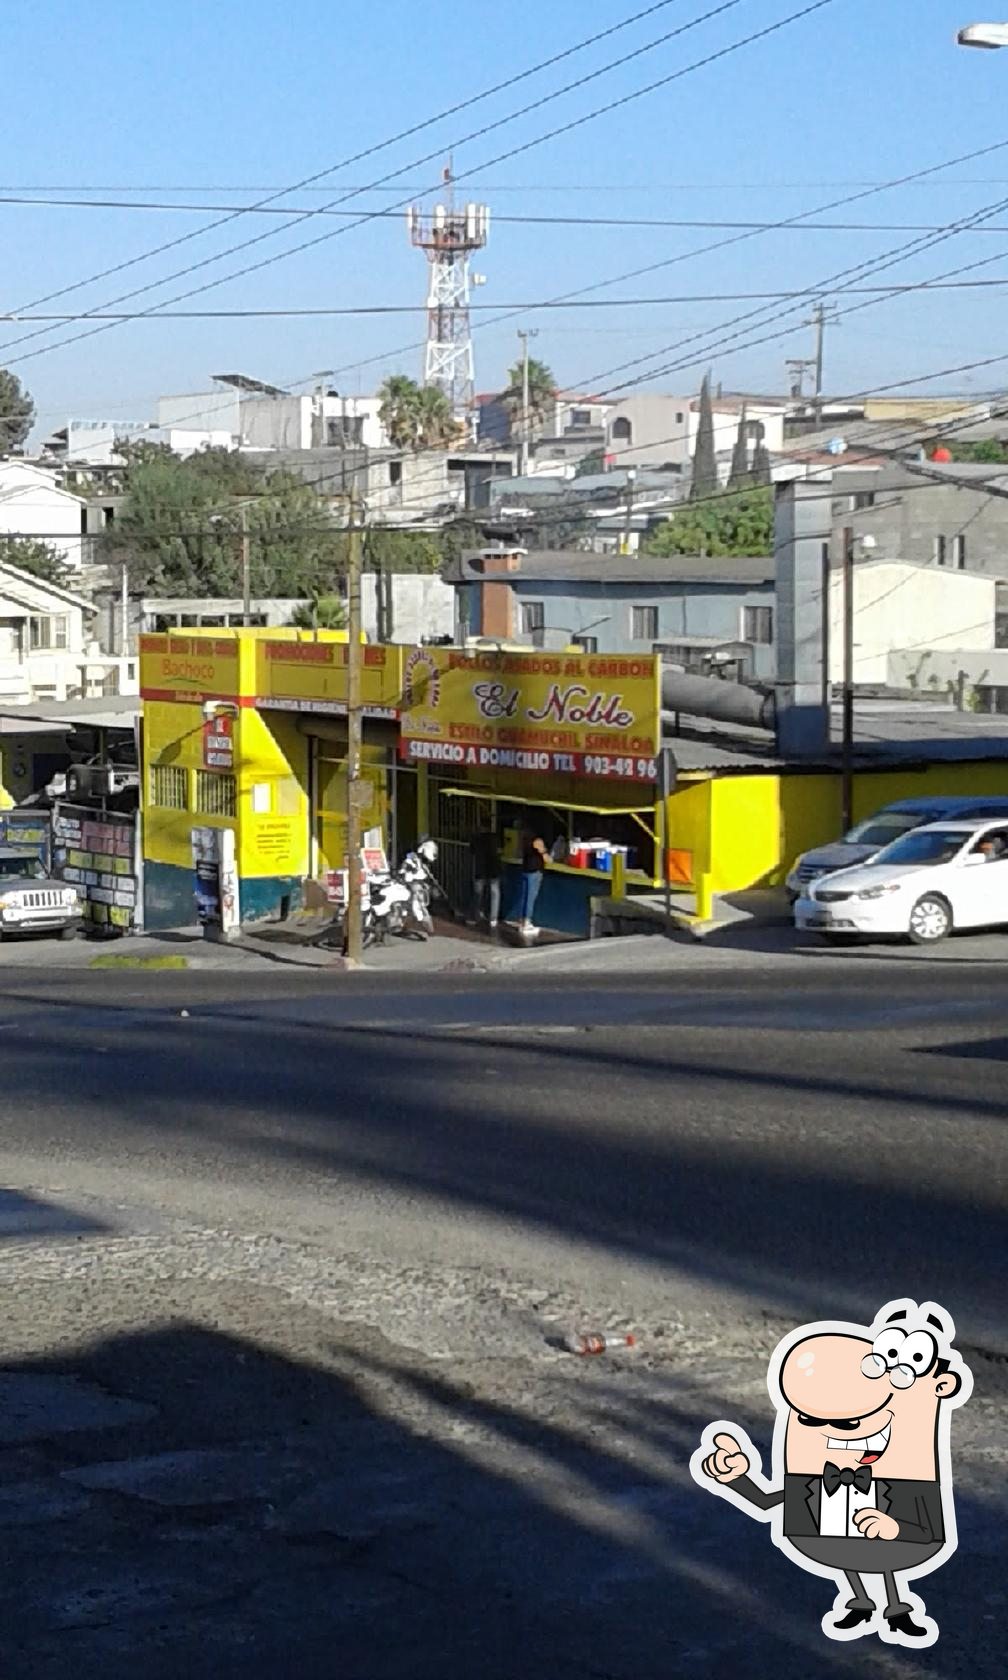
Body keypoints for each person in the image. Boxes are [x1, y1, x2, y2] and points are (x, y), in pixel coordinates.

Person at [518, 819, 548, 939]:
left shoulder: (524, 839)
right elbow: (546, 857)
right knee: (531, 897)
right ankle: (527, 923)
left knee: (524, 897)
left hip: (525, 869)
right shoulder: (537, 841)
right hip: (535, 871)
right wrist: (546, 852)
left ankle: (521, 922)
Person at [468, 822, 501, 930]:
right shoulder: (495, 838)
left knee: (478, 893)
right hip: (493, 869)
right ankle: (493, 918)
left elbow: (471, 851)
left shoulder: (476, 838)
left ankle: (475, 916)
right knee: (494, 893)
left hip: (480, 869)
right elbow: (499, 850)